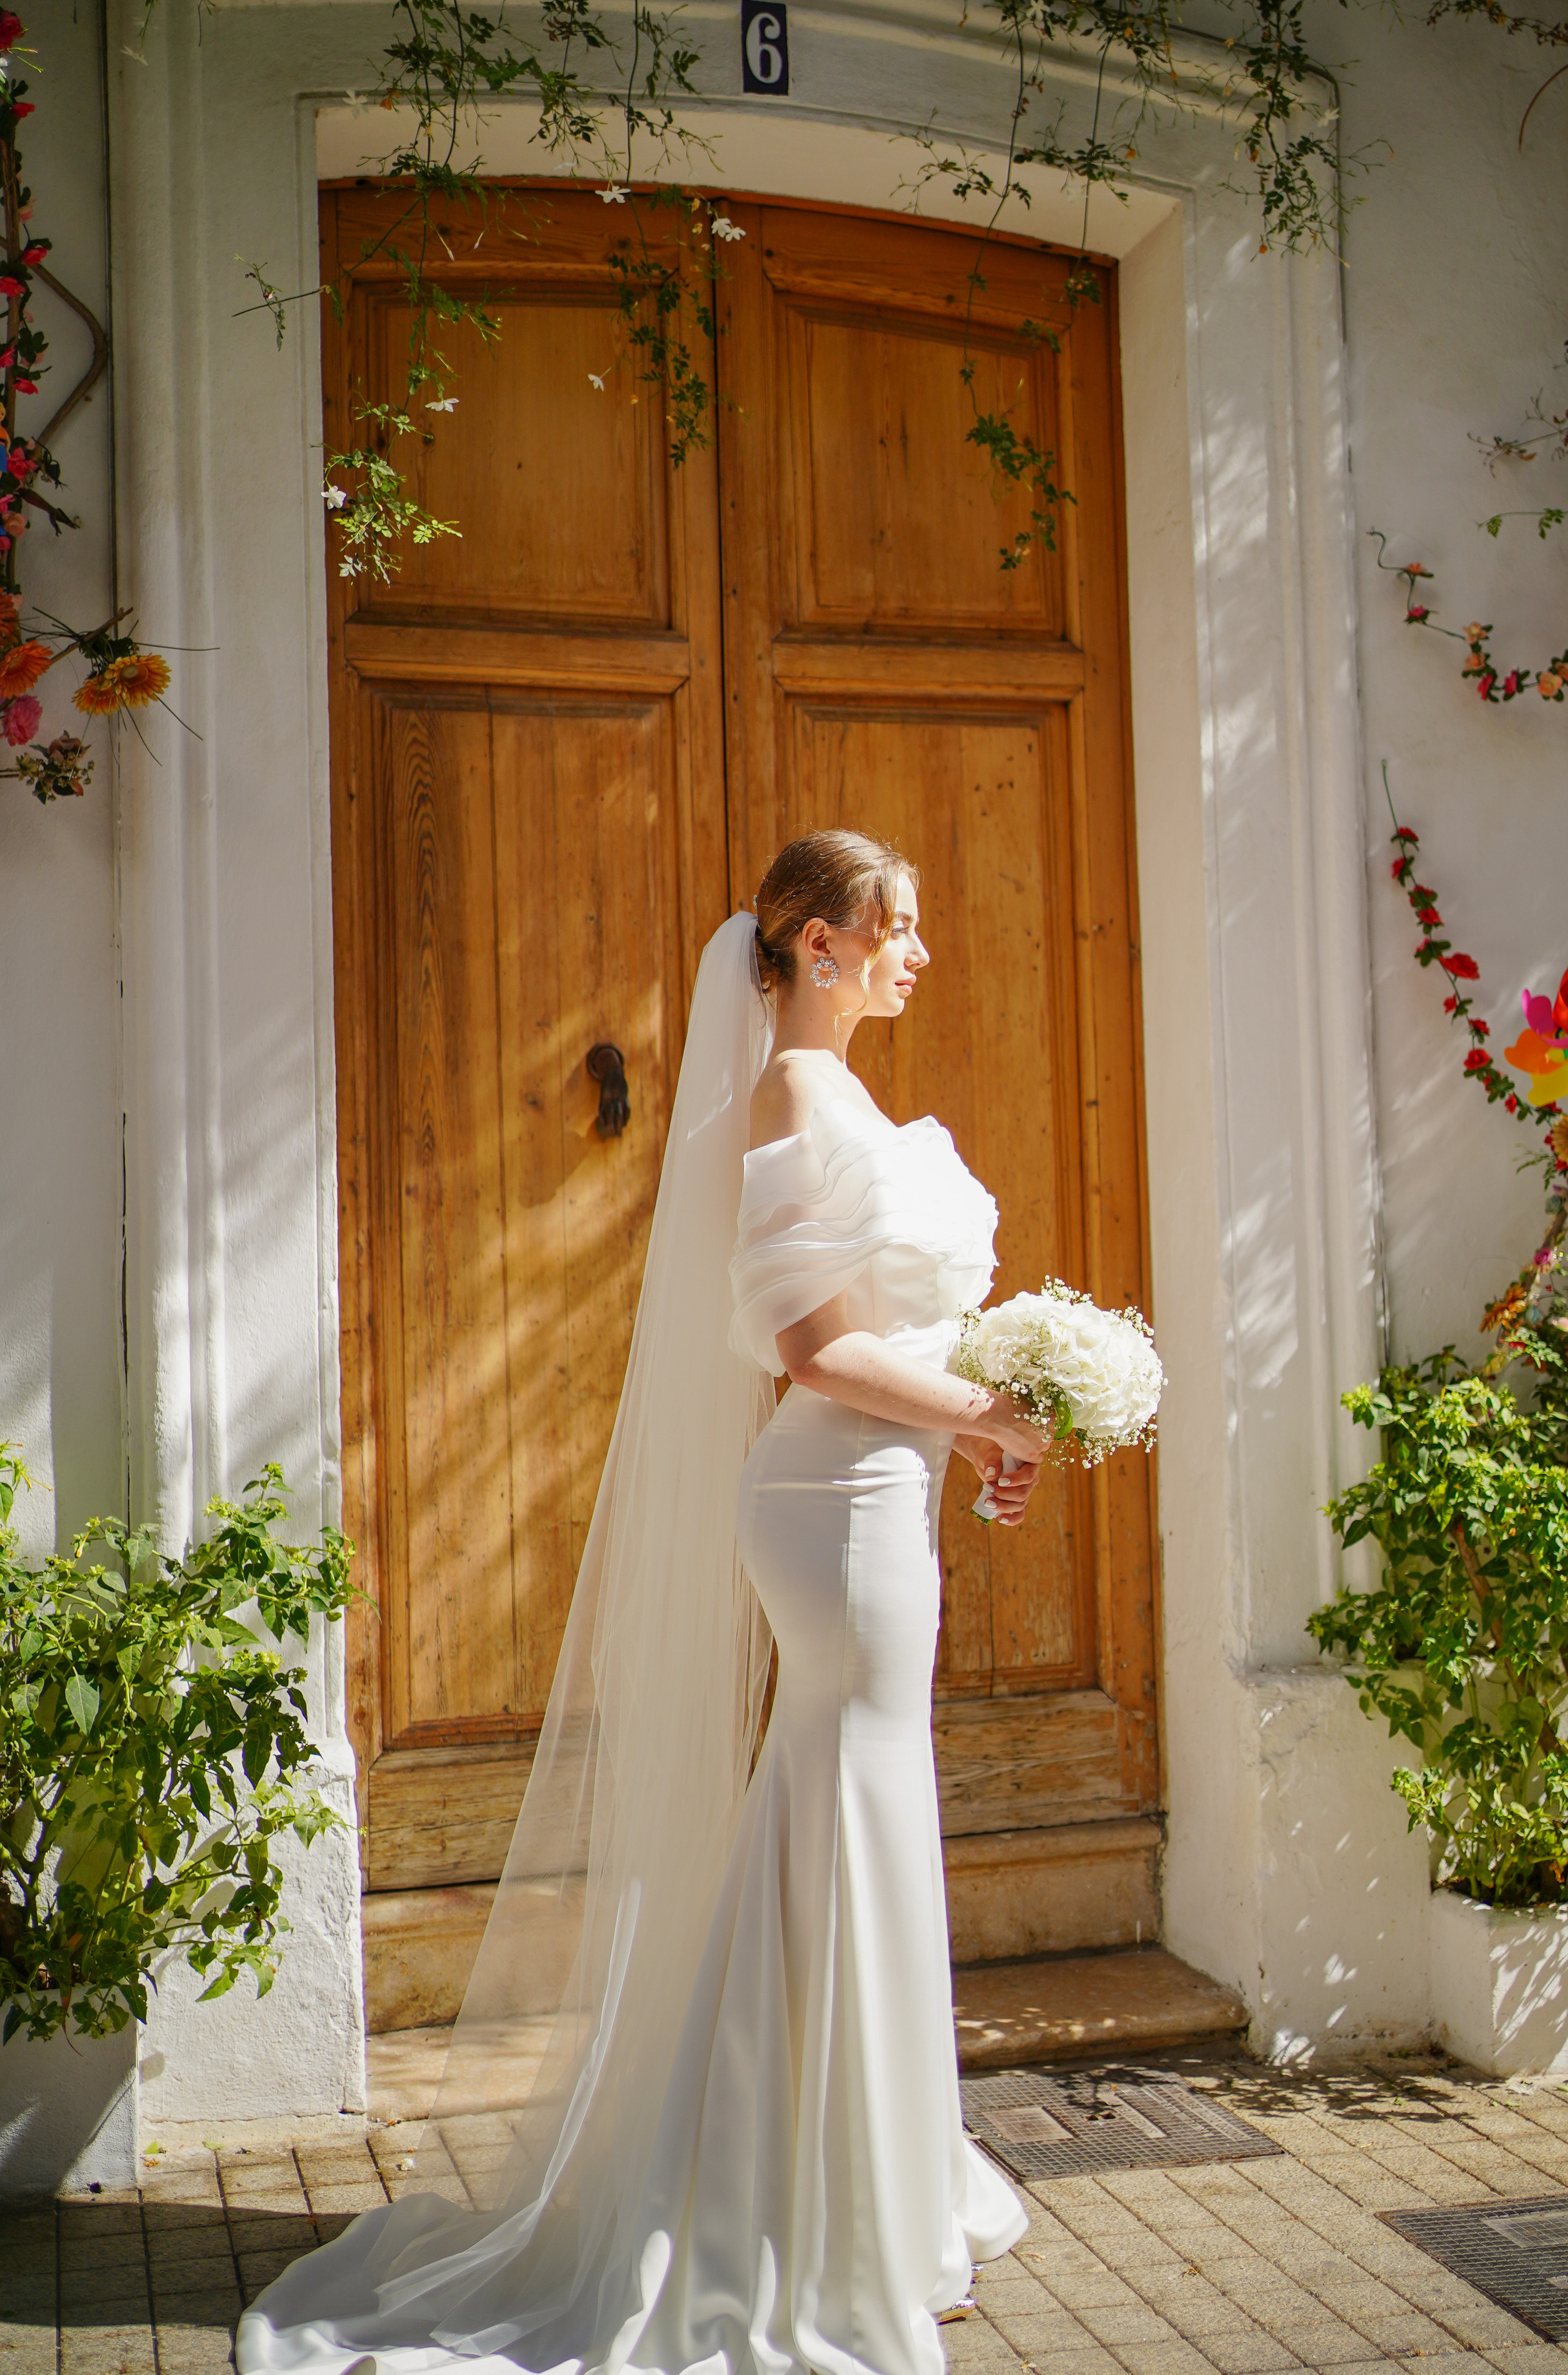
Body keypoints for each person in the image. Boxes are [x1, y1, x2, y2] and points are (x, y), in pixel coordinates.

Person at [240, 829, 1048, 2375]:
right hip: (834, 1502)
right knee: (840, 1803)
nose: (919, 954)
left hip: (882, 1495)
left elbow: (877, 1332)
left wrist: (987, 1427)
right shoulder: (798, 1093)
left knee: (847, 1808)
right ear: (816, 944)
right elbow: (808, 1349)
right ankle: (800, 2205)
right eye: (899, 928)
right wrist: (984, 1418)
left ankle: (840, 2186)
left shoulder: (836, 1091)